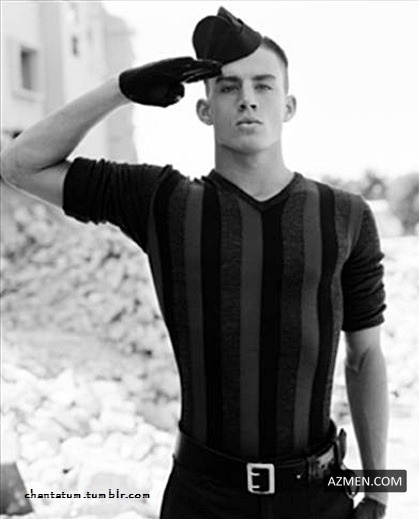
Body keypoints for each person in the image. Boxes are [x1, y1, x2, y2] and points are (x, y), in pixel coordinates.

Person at [1, 6, 389, 519]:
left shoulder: (346, 216)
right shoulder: (163, 201)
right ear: (204, 110)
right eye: (228, 87)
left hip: (320, 497)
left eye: (264, 85)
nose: (247, 98)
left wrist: (381, 490)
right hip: (201, 499)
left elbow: (365, 357)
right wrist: (121, 88)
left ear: (289, 105)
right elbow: (18, 164)